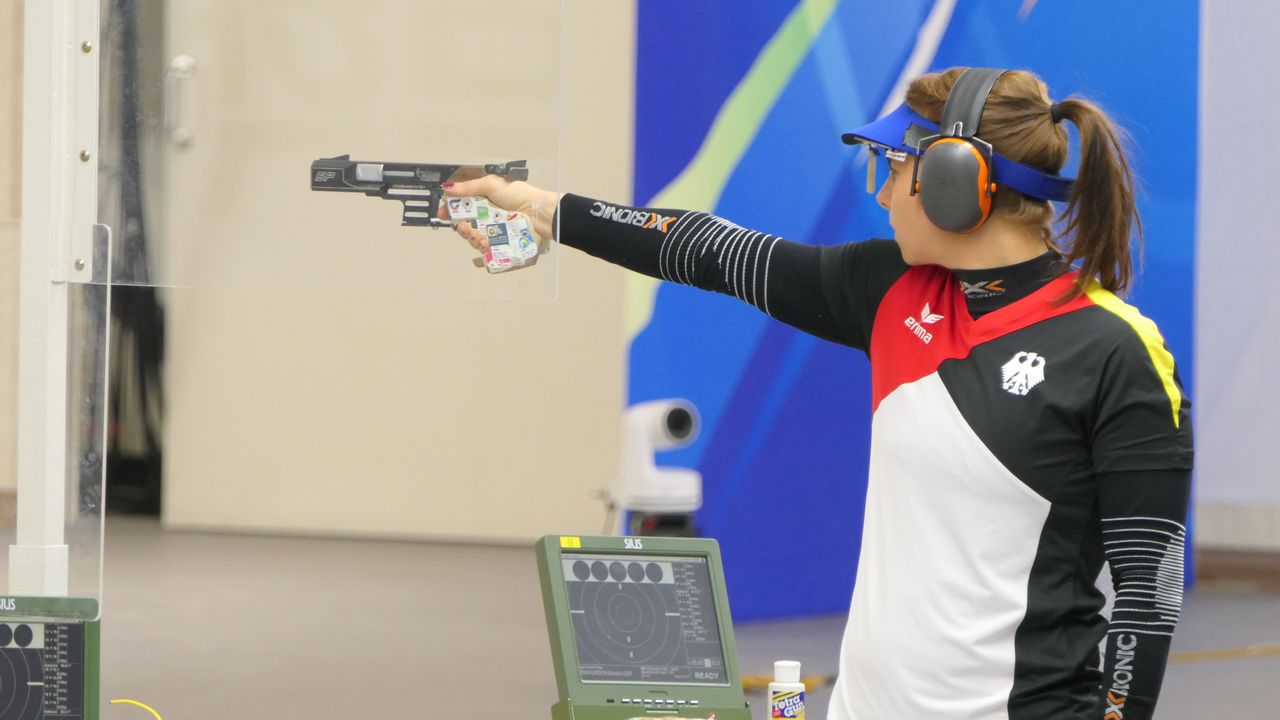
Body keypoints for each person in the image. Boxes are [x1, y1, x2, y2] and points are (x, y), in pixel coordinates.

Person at [442, 67, 1192, 720]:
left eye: (894, 165)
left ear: (958, 182)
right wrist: (536, 206)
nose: (885, 189)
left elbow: (1147, 592)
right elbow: (703, 247)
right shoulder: (890, 291)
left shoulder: (1116, 351)